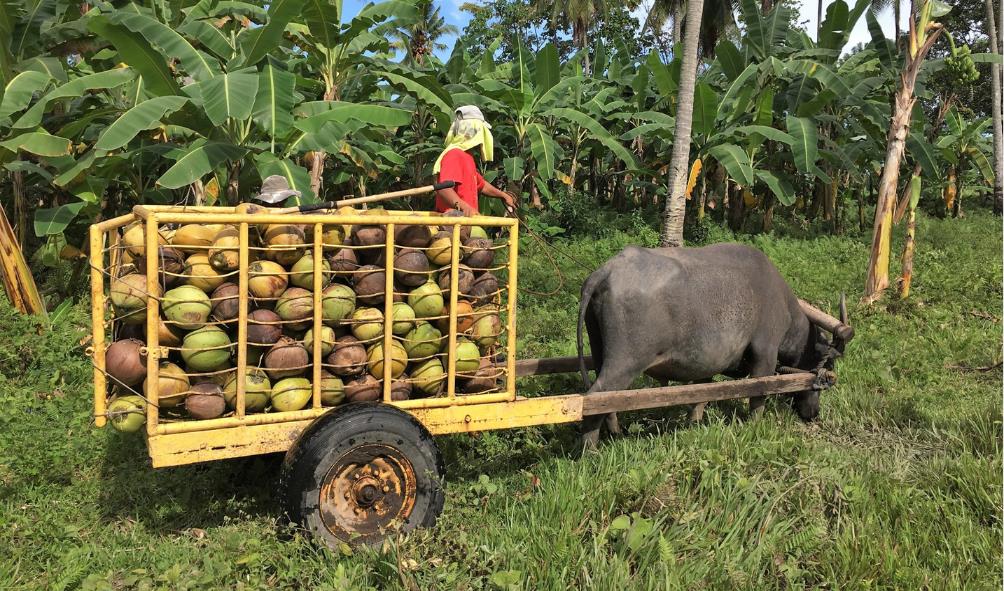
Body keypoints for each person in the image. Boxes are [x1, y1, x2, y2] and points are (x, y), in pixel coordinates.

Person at [433, 106, 517, 216]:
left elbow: (481, 185)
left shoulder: (467, 156)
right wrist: (465, 207)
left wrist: (503, 195)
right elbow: (444, 189)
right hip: (453, 222)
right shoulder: (455, 155)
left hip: (466, 220)